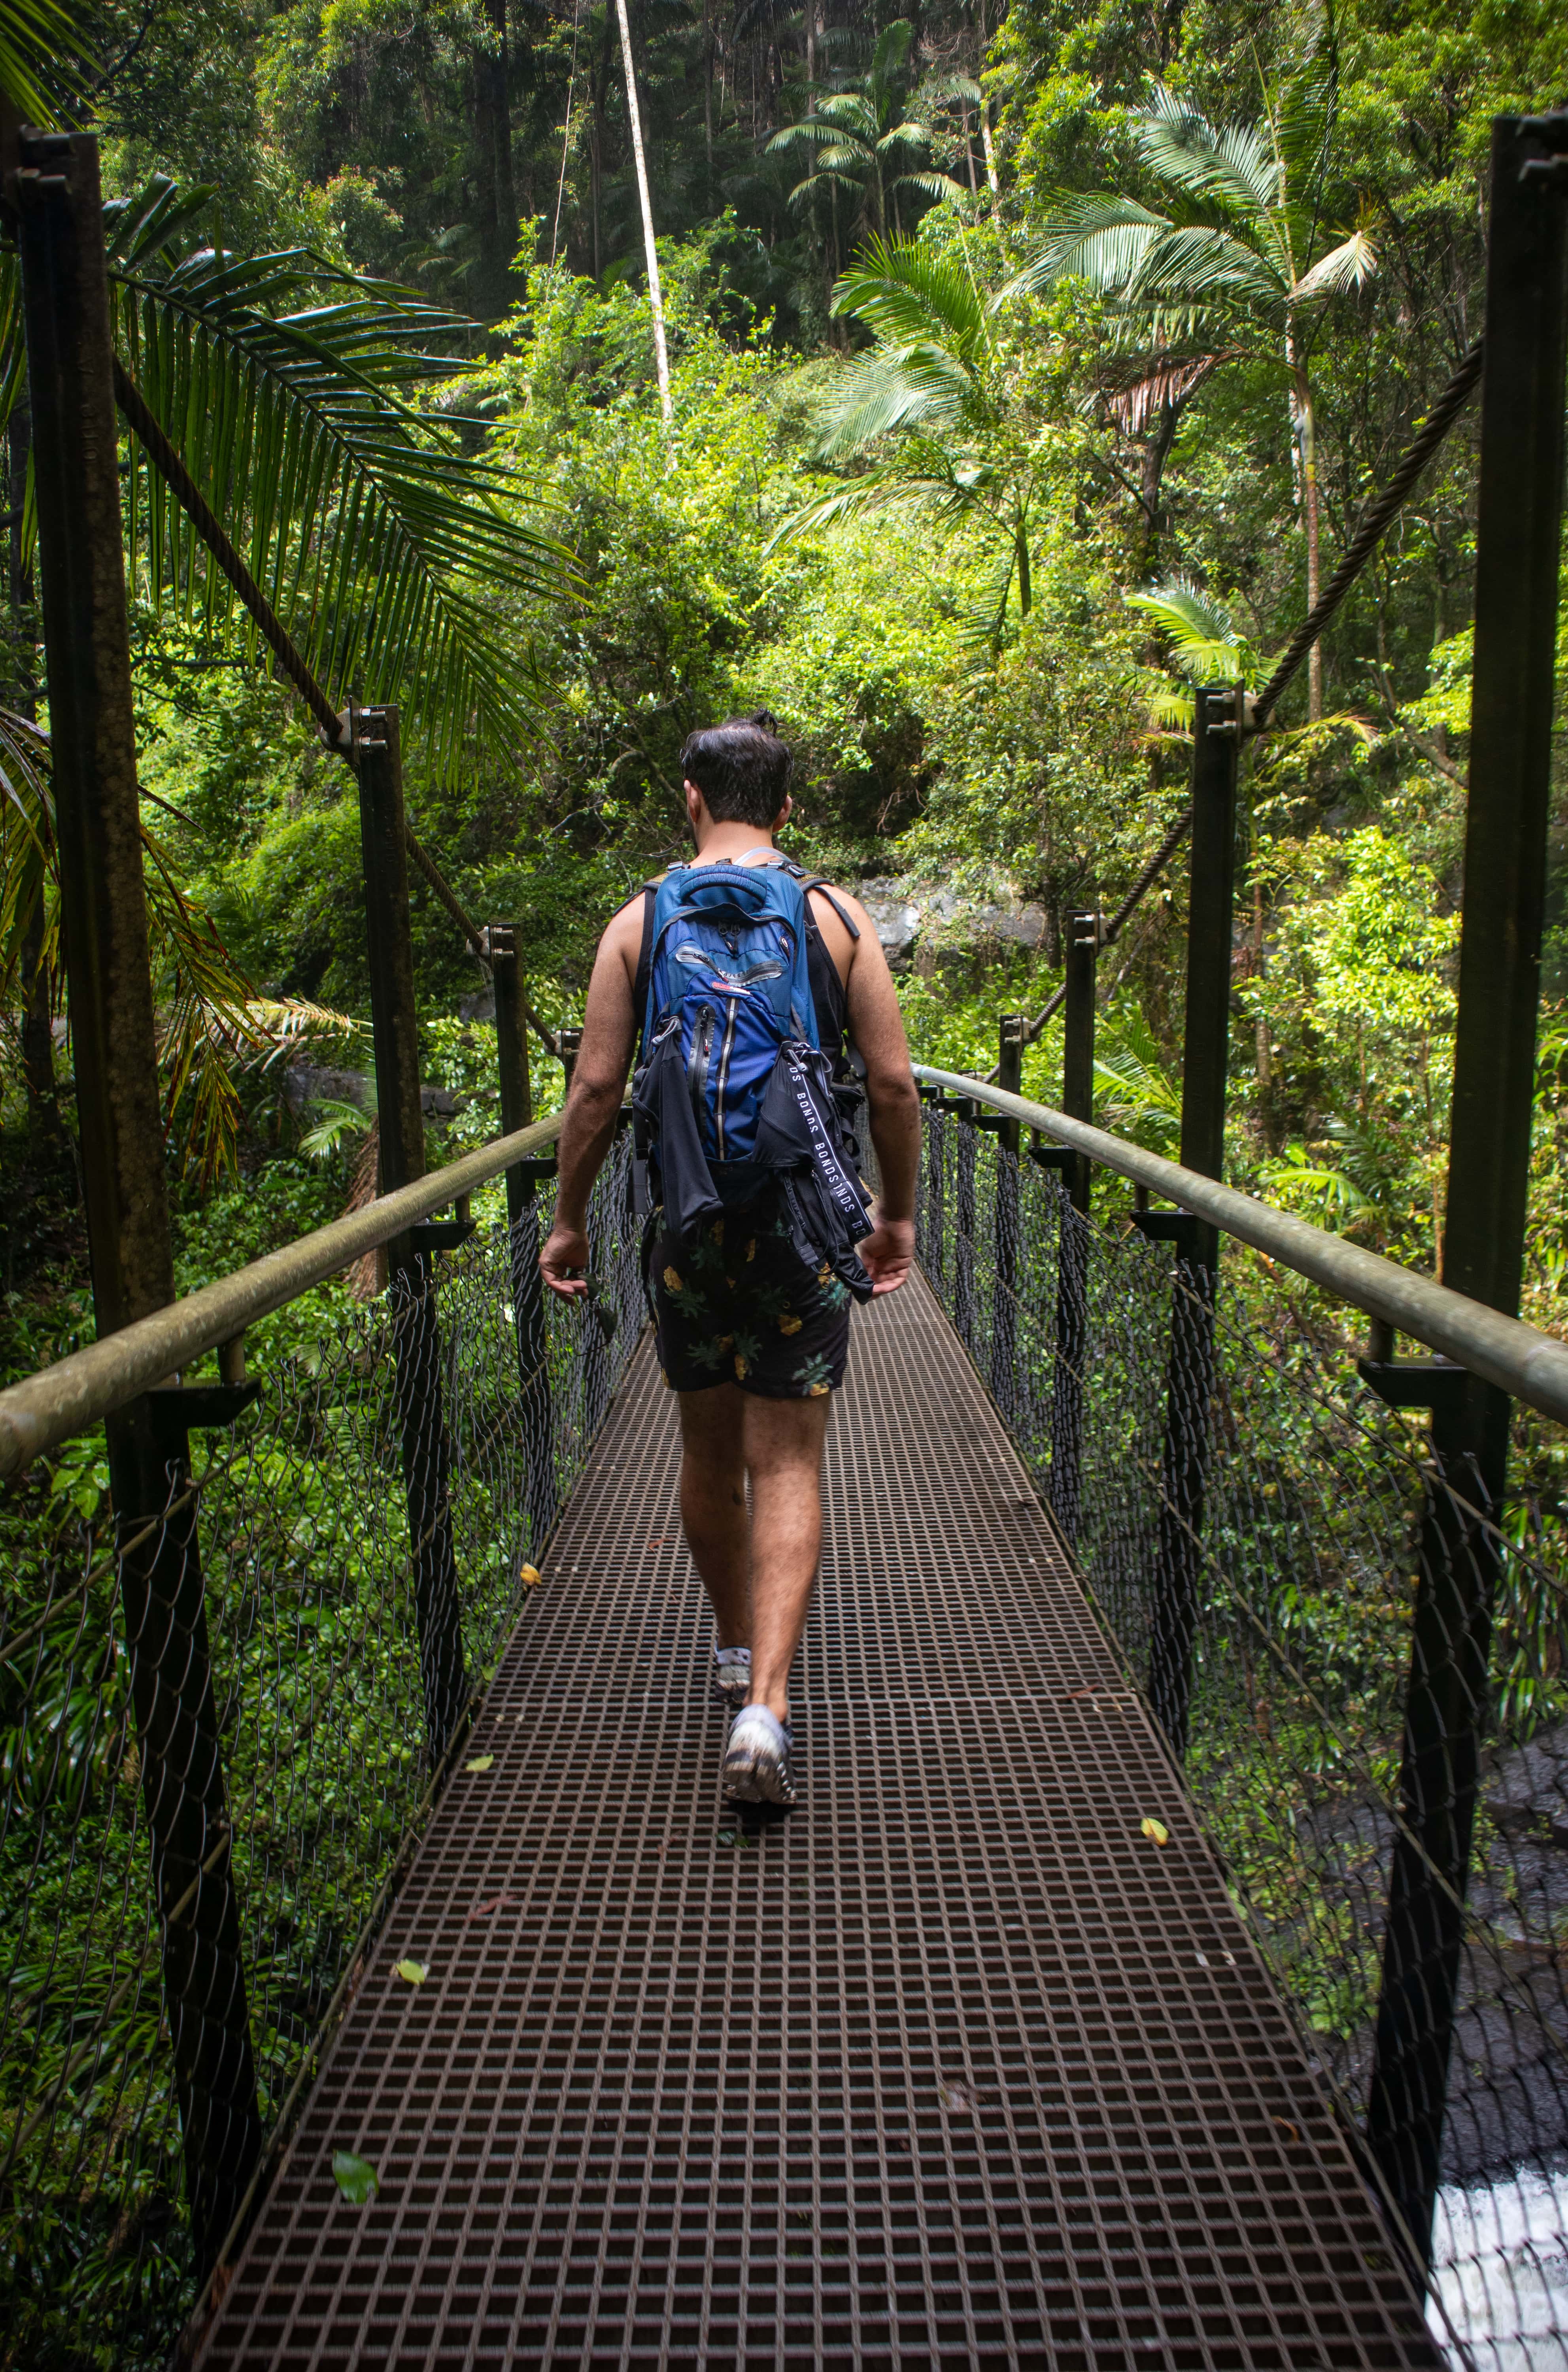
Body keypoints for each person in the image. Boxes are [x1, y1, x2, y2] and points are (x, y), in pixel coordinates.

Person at [539, 712, 921, 1807]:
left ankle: (726, 1644)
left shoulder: (639, 921)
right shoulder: (835, 917)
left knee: (709, 1460)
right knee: (791, 1462)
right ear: (788, 811)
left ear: (692, 801)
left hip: (687, 1232)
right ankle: (767, 1706)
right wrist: (893, 1218)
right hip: (803, 1230)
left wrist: (567, 1221)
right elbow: (893, 1088)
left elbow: (597, 1093)